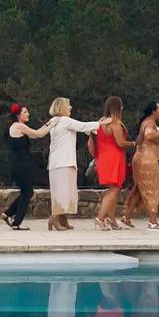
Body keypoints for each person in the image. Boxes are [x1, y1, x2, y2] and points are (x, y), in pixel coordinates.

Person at [46, 97, 106, 231]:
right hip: (64, 162)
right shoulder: (65, 121)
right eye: (68, 105)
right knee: (63, 193)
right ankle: (54, 220)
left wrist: (96, 124)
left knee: (61, 192)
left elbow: (83, 128)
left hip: (56, 162)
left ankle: (63, 220)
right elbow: (83, 126)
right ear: (62, 107)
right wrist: (101, 123)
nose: (71, 107)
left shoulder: (54, 121)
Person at [1, 103, 56, 231]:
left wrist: (50, 123)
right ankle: (16, 222)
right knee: (27, 193)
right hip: (21, 165)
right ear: (18, 115)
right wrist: (52, 123)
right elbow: (38, 134)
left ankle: (7, 214)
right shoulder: (19, 126)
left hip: (20, 164)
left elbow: (37, 132)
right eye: (25, 112)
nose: (28, 114)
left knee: (26, 192)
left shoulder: (18, 126)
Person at [121, 101, 159, 231]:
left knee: (139, 189)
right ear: (153, 111)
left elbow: (154, 142)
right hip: (147, 161)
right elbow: (149, 136)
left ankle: (126, 217)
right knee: (152, 190)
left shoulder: (147, 122)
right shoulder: (150, 123)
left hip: (140, 159)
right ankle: (152, 222)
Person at [94, 96, 136, 230]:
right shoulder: (115, 123)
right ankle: (100, 218)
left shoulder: (100, 122)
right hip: (114, 157)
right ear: (118, 107)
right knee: (114, 189)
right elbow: (121, 143)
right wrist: (135, 143)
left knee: (113, 188)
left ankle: (111, 219)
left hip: (103, 156)